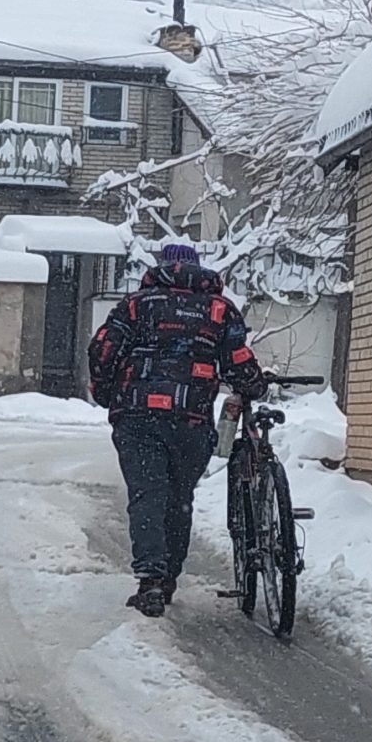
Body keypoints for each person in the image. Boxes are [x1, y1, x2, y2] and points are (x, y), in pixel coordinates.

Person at [87, 242, 266, 617]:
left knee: (148, 493)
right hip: (191, 420)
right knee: (178, 497)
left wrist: (105, 391)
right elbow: (237, 362)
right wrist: (253, 385)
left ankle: (151, 579)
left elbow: (103, 349)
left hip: (137, 416)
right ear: (198, 270)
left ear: (161, 268)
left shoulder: (137, 305)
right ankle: (168, 577)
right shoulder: (219, 310)